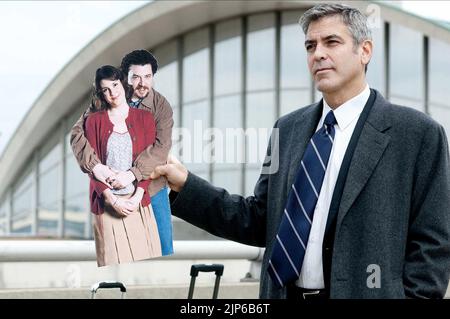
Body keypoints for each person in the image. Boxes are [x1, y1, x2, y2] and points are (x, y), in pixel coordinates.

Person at [151, 4, 450, 299]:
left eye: (331, 42)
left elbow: (432, 244)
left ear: (365, 51)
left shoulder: (417, 134)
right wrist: (185, 184)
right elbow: (258, 219)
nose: (318, 53)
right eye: (310, 46)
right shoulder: (287, 129)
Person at [71, 50, 174, 256]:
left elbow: (161, 148)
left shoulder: (161, 107)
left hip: (152, 187)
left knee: (162, 248)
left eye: (147, 76)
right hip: (112, 190)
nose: (142, 83)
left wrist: (133, 174)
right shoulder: (108, 95)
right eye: (135, 77)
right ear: (125, 77)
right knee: (118, 252)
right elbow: (77, 133)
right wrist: (96, 166)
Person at [83, 65, 161, 266]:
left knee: (144, 268)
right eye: (105, 90)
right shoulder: (93, 121)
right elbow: (93, 167)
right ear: (101, 93)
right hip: (108, 204)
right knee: (112, 265)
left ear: (123, 84)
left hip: (138, 203)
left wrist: (137, 197)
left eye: (115, 85)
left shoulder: (145, 119)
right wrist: (112, 200)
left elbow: (149, 162)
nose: (112, 93)